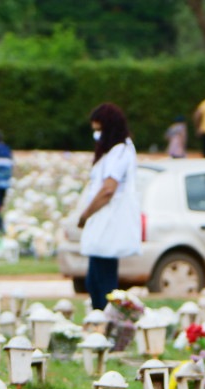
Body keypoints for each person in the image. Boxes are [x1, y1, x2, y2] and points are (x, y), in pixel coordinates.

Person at [77, 103, 141, 311]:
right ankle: (100, 322)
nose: (96, 136)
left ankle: (107, 325)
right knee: (93, 281)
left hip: (109, 224)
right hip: (102, 224)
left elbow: (108, 189)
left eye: (99, 130)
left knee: (103, 284)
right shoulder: (112, 152)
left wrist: (86, 214)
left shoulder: (121, 151)